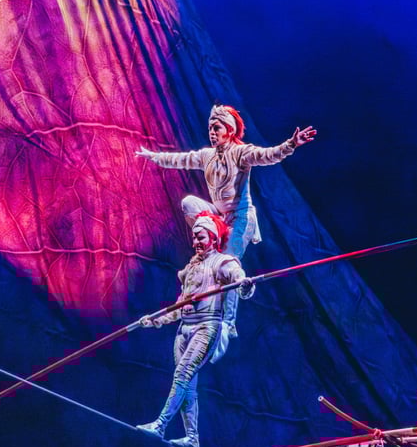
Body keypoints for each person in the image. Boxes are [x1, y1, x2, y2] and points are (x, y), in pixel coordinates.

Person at [135, 105, 316, 346]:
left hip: (240, 218)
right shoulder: (207, 155)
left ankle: (228, 322)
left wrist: (291, 144)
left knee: (227, 263)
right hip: (219, 216)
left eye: (216, 128)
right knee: (189, 202)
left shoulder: (241, 153)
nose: (212, 132)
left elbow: (268, 155)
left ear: (229, 130)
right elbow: (181, 159)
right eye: (210, 128)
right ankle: (208, 245)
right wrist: (154, 157)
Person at [136, 212, 256, 447]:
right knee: (188, 385)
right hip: (184, 330)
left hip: (206, 327)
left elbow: (238, 279)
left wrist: (244, 284)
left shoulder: (222, 262)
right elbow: (179, 306)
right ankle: (192, 438)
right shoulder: (191, 268)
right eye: (194, 238)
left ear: (213, 238)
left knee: (182, 374)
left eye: (200, 237)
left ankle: (160, 425)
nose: (195, 242)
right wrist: (155, 320)